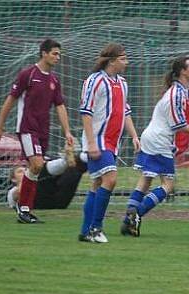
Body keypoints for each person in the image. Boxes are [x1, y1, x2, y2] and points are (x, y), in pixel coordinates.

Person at [120, 56, 189, 237]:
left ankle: (128, 221)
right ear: (183, 71)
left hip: (152, 137)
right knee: (168, 185)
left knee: (146, 179)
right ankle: (137, 213)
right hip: (159, 140)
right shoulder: (176, 94)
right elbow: (179, 126)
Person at [0, 38, 74, 224]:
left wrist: (67, 132)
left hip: (43, 130)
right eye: (54, 53)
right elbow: (11, 100)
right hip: (27, 128)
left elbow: (60, 106)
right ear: (44, 53)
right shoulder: (27, 74)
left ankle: (24, 207)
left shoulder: (53, 80)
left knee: (34, 169)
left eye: (59, 54)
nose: (57, 57)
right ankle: (24, 207)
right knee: (36, 165)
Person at [78, 43, 140, 243]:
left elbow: (125, 111)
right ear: (112, 61)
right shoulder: (95, 81)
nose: (126, 62)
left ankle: (85, 231)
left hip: (112, 143)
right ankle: (96, 228)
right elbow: (86, 112)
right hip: (97, 140)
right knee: (111, 179)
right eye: (123, 58)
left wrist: (134, 136)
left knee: (97, 184)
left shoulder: (122, 82)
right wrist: (91, 143)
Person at [7, 151, 87, 210]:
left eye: (25, 170)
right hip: (39, 204)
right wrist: (25, 180)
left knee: (74, 171)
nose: (24, 172)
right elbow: (17, 195)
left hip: (59, 199)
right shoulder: (12, 191)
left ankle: (83, 157)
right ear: (13, 179)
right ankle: (66, 160)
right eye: (20, 172)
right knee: (41, 171)